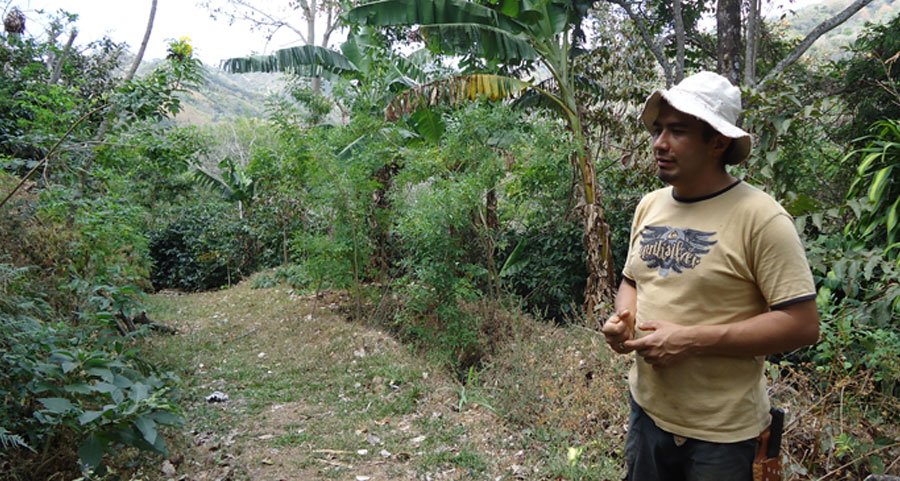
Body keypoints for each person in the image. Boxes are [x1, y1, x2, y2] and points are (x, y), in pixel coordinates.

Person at [601, 71, 820, 481]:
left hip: (722, 435)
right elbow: (633, 280)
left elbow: (803, 324)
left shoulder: (761, 218)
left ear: (717, 142)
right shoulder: (650, 206)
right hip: (646, 413)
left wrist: (691, 340)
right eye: (659, 129)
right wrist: (625, 321)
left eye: (677, 131)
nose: (659, 143)